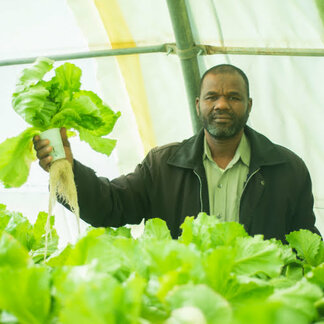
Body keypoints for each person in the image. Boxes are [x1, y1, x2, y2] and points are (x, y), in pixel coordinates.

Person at [33, 64, 321, 242]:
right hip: (184, 303)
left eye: (233, 97)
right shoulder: (163, 165)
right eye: (212, 97)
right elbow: (112, 205)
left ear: (249, 105)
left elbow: (304, 242)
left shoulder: (287, 169)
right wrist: (66, 168)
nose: (221, 104)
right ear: (198, 105)